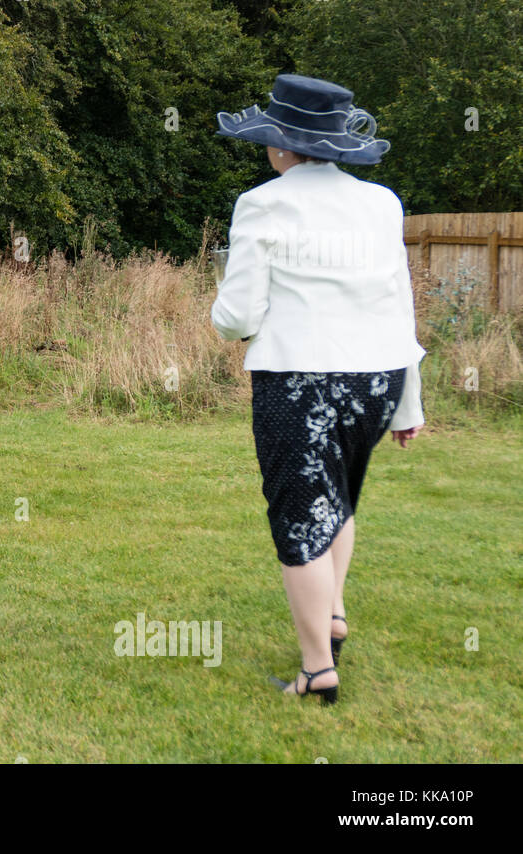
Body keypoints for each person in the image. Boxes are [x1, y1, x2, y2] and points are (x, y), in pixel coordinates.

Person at [211, 74, 426, 704]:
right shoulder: (382, 202)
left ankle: (315, 670)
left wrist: (220, 311)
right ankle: (331, 614)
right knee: (340, 499)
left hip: (301, 378)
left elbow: (239, 317)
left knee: (299, 516)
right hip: (377, 381)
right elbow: (399, 307)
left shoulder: (263, 203)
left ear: (283, 145)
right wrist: (409, 401)